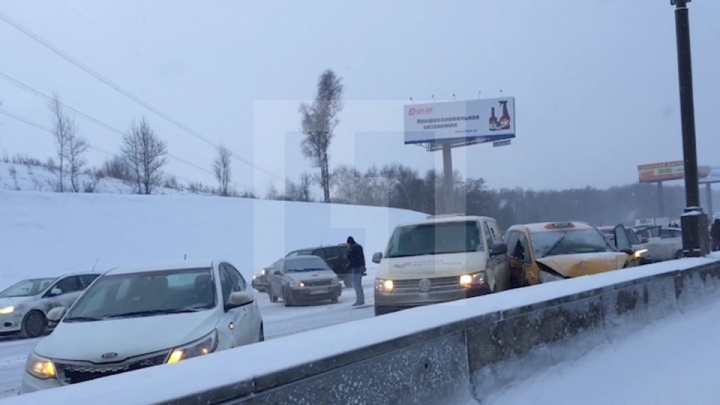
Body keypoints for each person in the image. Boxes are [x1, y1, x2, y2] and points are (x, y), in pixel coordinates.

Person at [346, 236, 365, 306]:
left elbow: (350, 257)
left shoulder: (352, 249)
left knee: (356, 285)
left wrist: (348, 250)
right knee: (359, 285)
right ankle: (361, 299)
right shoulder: (359, 247)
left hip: (356, 268)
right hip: (360, 267)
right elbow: (362, 257)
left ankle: (359, 300)